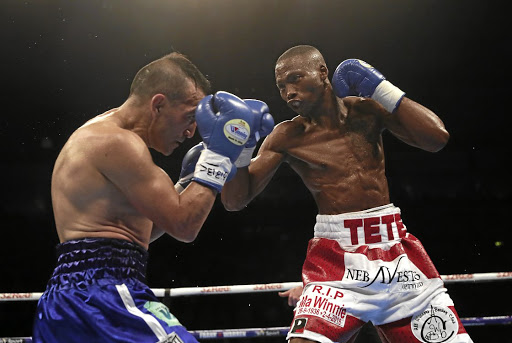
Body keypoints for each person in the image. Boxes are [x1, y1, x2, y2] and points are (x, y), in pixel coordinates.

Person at [221, 45, 473, 342]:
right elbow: (234, 201)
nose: (288, 91)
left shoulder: (367, 110)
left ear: (323, 72)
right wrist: (239, 150)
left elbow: (436, 138)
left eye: (296, 78)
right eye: (281, 86)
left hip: (395, 252)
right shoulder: (287, 136)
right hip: (335, 260)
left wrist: (382, 88)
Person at [32, 52, 270, 343]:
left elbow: (143, 229)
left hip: (72, 300)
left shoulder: (100, 135)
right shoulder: (119, 143)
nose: (191, 131)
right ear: (158, 104)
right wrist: (218, 157)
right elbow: (184, 226)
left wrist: (185, 184)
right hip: (103, 297)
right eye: (189, 116)